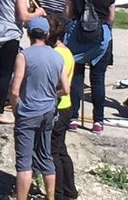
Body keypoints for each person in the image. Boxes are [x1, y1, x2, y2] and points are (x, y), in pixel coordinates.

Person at [9, 17, 68, 200]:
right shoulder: (58, 56)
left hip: (28, 111)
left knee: (24, 163)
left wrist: (15, 109)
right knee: (46, 157)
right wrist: (51, 95)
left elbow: (14, 90)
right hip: (49, 111)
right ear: (47, 34)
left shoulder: (24, 55)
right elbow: (65, 89)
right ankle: (50, 197)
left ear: (29, 34)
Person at [64, 0, 115, 133]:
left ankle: (73, 118)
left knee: (76, 77)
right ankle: (98, 121)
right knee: (98, 79)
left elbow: (68, 13)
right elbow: (111, 16)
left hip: (77, 35)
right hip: (100, 36)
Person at [48, 15, 78, 200]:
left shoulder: (57, 55)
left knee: (53, 152)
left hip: (59, 106)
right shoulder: (66, 51)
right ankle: (70, 190)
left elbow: (59, 86)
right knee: (61, 150)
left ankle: (58, 193)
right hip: (66, 107)